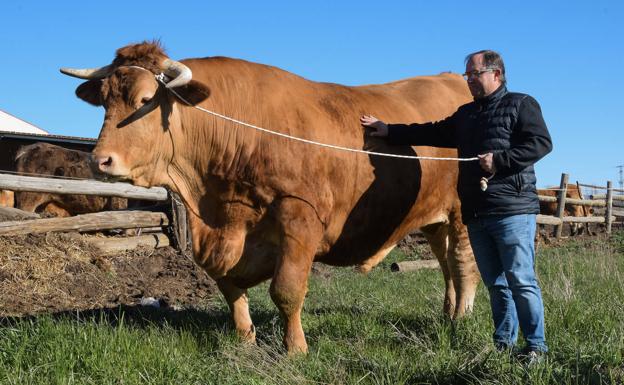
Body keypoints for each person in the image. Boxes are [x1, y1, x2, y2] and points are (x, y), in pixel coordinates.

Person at [361, 50, 552, 360]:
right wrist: (389, 129)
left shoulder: (521, 104)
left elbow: (541, 143)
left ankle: (536, 346)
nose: (469, 81)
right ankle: (504, 344)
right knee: (495, 282)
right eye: (467, 75)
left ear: (496, 74)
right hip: (476, 212)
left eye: (474, 74)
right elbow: (431, 131)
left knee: (521, 279)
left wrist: (500, 161)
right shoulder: (466, 115)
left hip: (512, 210)